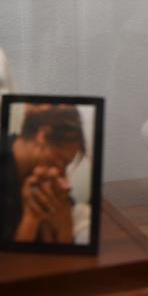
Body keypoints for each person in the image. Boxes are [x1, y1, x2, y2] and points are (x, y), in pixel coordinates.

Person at [1, 104, 86, 244]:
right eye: (61, 160)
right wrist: (31, 219)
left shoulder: (47, 179)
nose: (59, 172)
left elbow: (66, 246)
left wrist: (63, 216)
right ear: (43, 135)